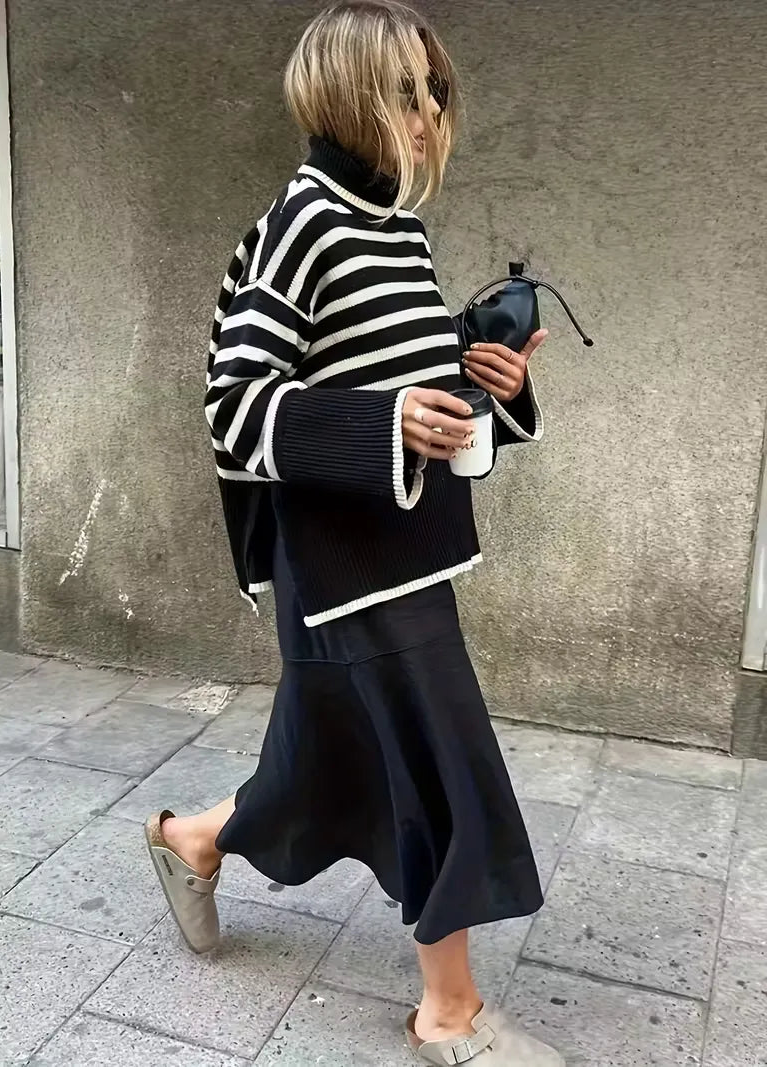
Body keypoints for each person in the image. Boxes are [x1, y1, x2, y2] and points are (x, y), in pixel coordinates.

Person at [146, 2, 563, 1064]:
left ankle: (190, 837)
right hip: (338, 567)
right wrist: (385, 419)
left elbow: (396, 382)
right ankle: (449, 1011)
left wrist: (482, 378)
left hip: (401, 550)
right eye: (403, 93)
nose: (425, 117)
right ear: (343, 94)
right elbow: (233, 407)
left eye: (433, 93)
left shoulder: (393, 226)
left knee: (326, 761)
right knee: (437, 757)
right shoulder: (303, 222)